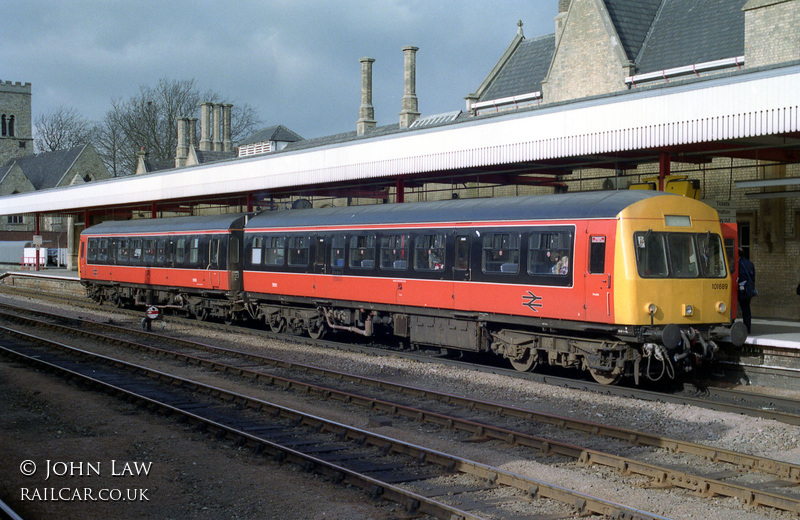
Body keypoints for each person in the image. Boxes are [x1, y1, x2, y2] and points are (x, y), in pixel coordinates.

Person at [737, 248, 755, 334]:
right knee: (747, 309)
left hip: (741, 289)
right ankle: (748, 328)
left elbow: (738, 277)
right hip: (749, 289)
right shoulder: (750, 263)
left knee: (740, 307)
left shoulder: (739, 264)